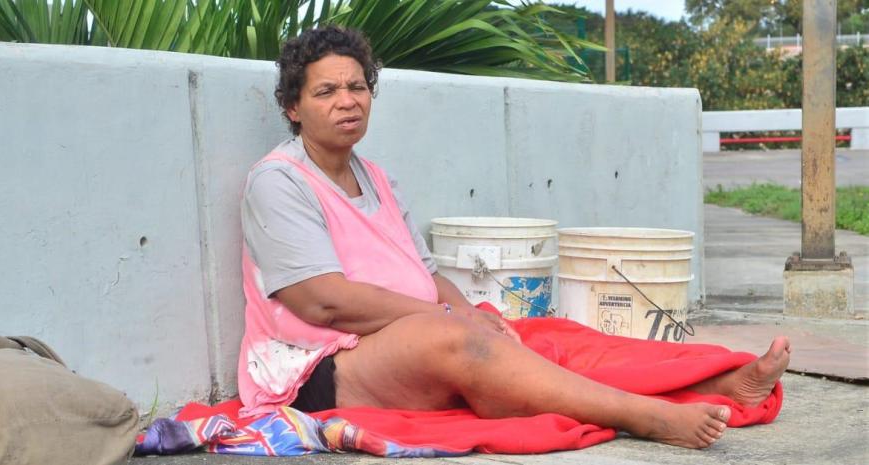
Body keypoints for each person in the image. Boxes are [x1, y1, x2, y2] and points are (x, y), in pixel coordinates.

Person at [238, 25, 791, 450]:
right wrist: (450, 321)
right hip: (323, 367)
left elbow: (428, 276)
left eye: (358, 86)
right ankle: (647, 416)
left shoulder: (376, 176)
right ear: (293, 107)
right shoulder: (279, 181)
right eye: (326, 91)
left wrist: (471, 313)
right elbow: (323, 301)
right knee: (462, 341)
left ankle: (718, 380)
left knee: (538, 334)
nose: (347, 101)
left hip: (407, 336)